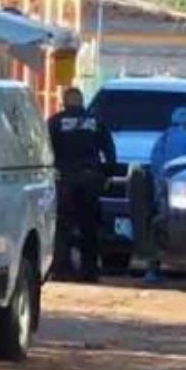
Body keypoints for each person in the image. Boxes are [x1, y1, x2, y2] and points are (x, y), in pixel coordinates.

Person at [47, 87, 117, 282]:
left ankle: (62, 269)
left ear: (64, 102)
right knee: (90, 228)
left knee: (62, 227)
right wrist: (106, 173)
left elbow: (46, 150)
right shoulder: (95, 122)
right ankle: (89, 271)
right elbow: (109, 150)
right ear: (82, 101)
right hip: (90, 180)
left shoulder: (55, 122)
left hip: (65, 181)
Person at [142, 107, 186, 284]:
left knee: (159, 226)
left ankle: (153, 268)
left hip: (163, 189)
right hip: (181, 192)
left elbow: (156, 164)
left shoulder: (163, 138)